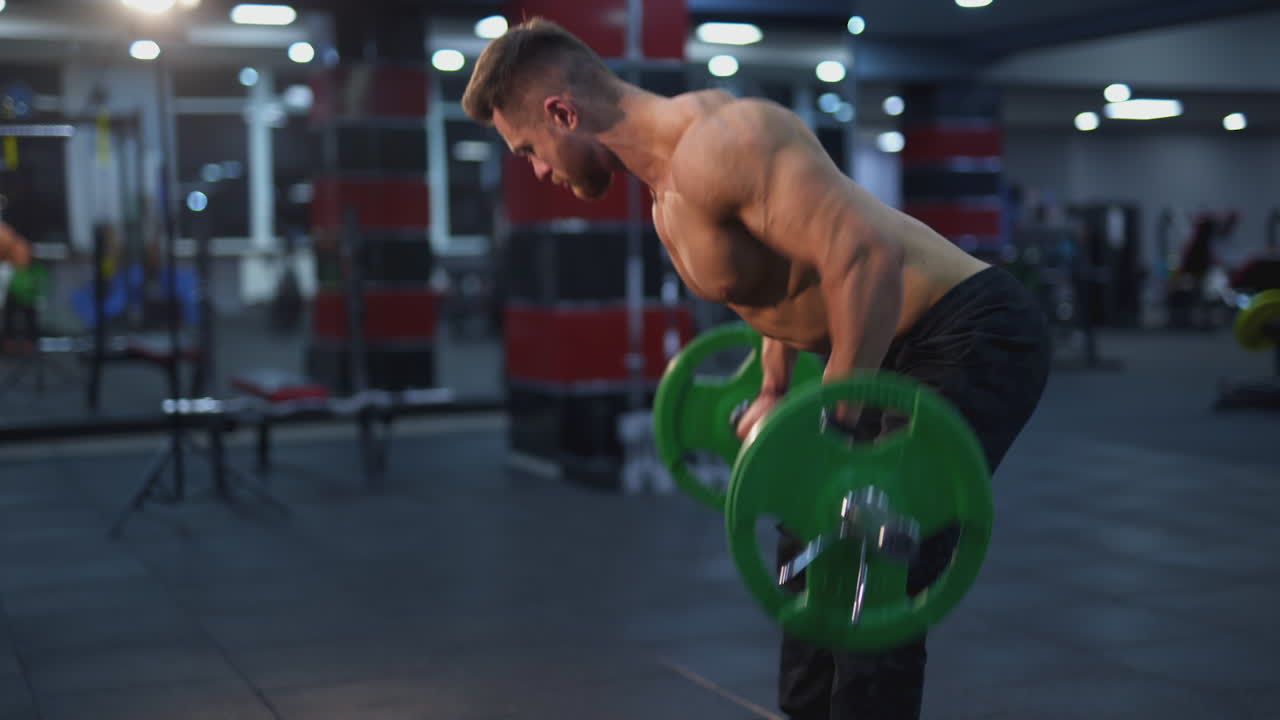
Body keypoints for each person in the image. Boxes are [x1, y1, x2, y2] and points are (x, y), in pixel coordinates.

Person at [463, 18, 1051, 720]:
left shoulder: (726, 141)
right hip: (880, 352)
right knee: (808, 568)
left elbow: (864, 258)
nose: (535, 170)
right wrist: (774, 385)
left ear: (563, 112)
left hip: (966, 330)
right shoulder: (666, 197)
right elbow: (778, 287)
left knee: (870, 565)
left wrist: (832, 419)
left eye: (528, 148)